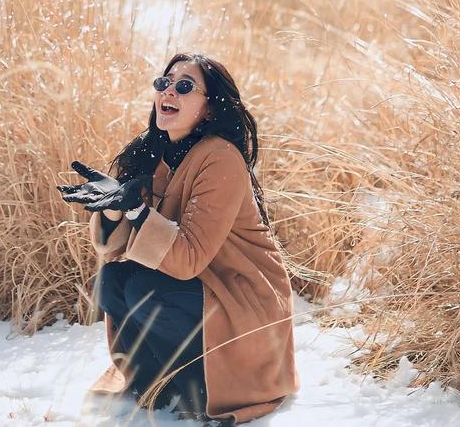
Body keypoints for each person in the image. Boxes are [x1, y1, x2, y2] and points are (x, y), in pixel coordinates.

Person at [59, 52, 299, 425]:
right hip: (197, 285)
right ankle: (156, 381)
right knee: (112, 282)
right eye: (163, 83)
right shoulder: (150, 153)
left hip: (241, 297)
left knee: (145, 290)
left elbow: (188, 258)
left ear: (208, 108)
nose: (168, 91)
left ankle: (197, 386)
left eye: (184, 86)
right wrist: (111, 208)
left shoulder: (220, 158)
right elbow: (113, 250)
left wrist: (138, 212)